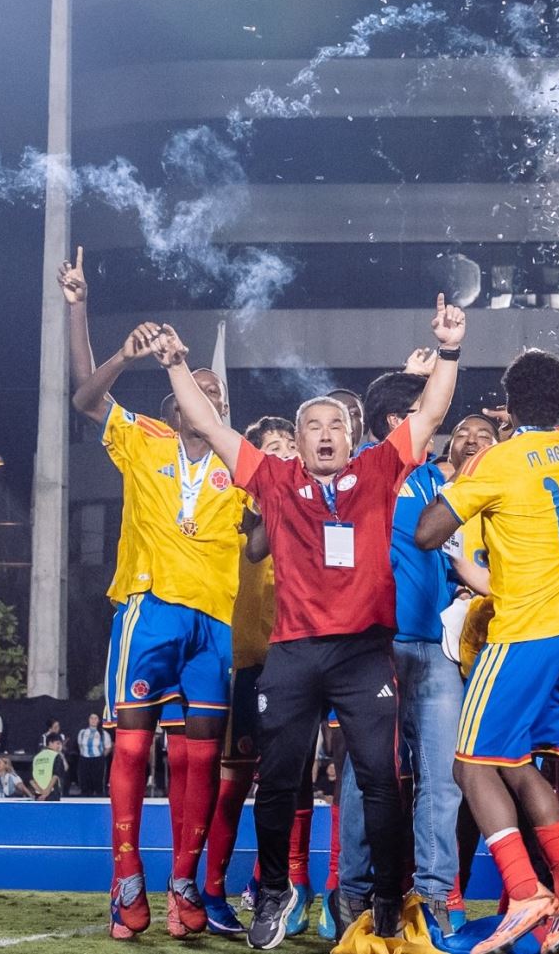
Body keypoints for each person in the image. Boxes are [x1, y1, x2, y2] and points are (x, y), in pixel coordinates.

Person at [161, 298, 464, 951]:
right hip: (293, 654)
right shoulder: (273, 479)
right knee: (278, 775)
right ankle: (274, 890)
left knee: (383, 780)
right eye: (312, 426)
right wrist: (180, 365)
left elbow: (432, 411)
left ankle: (385, 897)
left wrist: (450, 350)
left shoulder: (379, 471)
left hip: (363, 654)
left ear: (352, 436)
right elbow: (210, 425)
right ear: (296, 440)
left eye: (335, 424)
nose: (324, 434)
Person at [61, 249, 242, 942]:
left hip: (215, 623)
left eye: (219, 392)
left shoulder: (241, 462)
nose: (213, 396)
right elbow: (85, 396)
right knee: (133, 748)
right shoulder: (145, 439)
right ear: (176, 403)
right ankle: (127, 877)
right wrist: (83, 310)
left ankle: (184, 882)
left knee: (200, 756)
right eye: (201, 388)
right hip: (150, 607)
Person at [414, 349, 559, 954]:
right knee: (520, 765)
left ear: (508, 402)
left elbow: (428, 532)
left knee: (468, 764)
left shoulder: (499, 461)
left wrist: (464, 479)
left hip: (525, 631)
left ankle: (524, 890)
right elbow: (542, 431)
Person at [333, 387, 495, 939]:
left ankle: (432, 896)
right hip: (376, 644)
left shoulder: (443, 485)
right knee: (365, 776)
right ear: (393, 421)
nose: (440, 426)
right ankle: (353, 894)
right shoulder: (367, 471)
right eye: (418, 414)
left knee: (442, 779)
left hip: (435, 650)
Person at [200, 416, 292, 938]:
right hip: (248, 663)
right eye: (271, 448)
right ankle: (212, 889)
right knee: (234, 785)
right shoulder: (235, 507)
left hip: (296, 662)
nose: (281, 455)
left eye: (287, 447)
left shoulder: (304, 505)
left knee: (286, 780)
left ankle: (266, 883)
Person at [77, 714, 112, 798]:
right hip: (84, 761)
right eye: (91, 718)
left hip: (98, 761)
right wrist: (84, 755)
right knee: (85, 782)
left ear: (99, 720)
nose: (93, 720)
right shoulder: (82, 732)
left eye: (95, 718)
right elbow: (80, 745)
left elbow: (108, 747)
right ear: (88, 719)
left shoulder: (103, 733)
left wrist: (101, 757)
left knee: (98, 783)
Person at [33, 734, 71, 802]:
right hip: (52, 793)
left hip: (38, 794)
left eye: (60, 744)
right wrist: (46, 793)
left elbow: (31, 779)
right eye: (58, 743)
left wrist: (41, 792)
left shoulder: (37, 757)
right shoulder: (56, 756)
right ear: (50, 743)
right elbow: (57, 774)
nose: (59, 746)